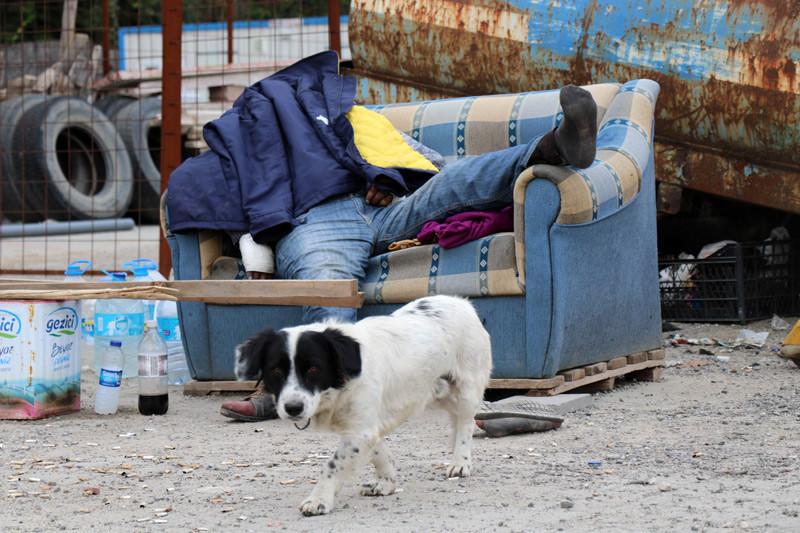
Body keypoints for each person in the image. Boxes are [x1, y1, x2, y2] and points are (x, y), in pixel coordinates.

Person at [213, 83, 598, 421]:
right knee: (330, 283)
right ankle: (285, 393)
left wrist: (393, 179)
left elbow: (430, 163)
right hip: (313, 226)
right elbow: (230, 208)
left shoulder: (346, 121)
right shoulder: (242, 151)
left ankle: (558, 145)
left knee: (458, 179)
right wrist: (257, 257)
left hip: (384, 207)